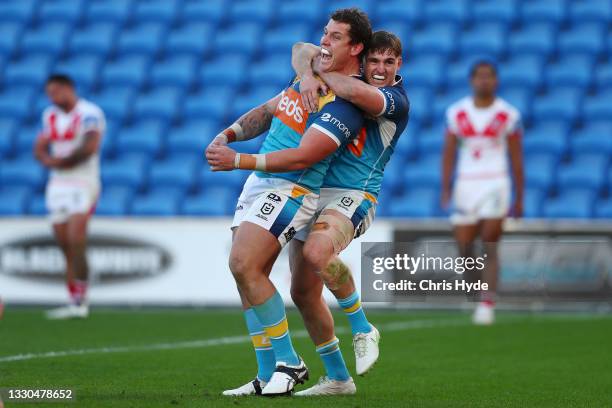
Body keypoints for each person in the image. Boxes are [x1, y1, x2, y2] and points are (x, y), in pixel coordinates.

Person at [205, 8, 371, 396]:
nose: (324, 41)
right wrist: (228, 134)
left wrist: (238, 160)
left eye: (335, 37)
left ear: (356, 47)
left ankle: (289, 362)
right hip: (259, 183)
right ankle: (266, 375)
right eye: (325, 33)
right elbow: (271, 108)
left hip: (292, 189)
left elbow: (304, 157)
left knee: (243, 263)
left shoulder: (348, 101)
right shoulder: (312, 69)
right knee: (245, 276)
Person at [440, 60, 524, 325]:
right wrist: (446, 187)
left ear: (496, 81)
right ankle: (477, 296)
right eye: (480, 76)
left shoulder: (507, 115)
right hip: (466, 183)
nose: (484, 81)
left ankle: (488, 301)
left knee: (489, 241)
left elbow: (516, 157)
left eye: (489, 76)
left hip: (495, 182)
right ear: (472, 81)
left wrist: (519, 197)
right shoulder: (457, 113)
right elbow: (449, 152)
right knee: (465, 246)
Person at [33, 74, 105, 320]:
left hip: (83, 181)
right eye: (49, 93)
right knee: (65, 245)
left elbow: (90, 146)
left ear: (68, 88)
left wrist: (60, 161)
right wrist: (47, 160)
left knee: (76, 240)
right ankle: (73, 297)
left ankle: (81, 300)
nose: (52, 97)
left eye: (55, 91)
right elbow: (40, 144)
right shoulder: (49, 115)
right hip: (58, 184)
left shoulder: (89, 113)